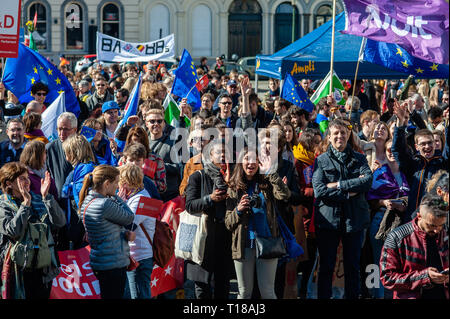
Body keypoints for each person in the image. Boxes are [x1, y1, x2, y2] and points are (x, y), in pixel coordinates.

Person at [312, 118, 373, 299]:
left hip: (354, 220)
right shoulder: (321, 161)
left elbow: (367, 181)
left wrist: (338, 184)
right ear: (329, 137)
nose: (340, 136)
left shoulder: (359, 158)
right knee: (326, 267)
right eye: (336, 133)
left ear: (348, 135)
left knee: (352, 267)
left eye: (343, 133)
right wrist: (348, 193)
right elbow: (320, 190)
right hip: (329, 221)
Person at [225, 147, 291, 299]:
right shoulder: (233, 188)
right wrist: (239, 210)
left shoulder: (267, 183)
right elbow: (228, 223)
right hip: (243, 244)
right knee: (244, 292)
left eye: (255, 159)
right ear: (241, 162)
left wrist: (270, 172)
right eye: (247, 159)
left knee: (268, 292)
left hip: (267, 243)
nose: (250, 163)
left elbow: (285, 195)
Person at [0, 162, 66, 299]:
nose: (27, 181)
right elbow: (13, 231)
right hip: (18, 269)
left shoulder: (37, 198)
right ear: (9, 184)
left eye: (27, 177)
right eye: (22, 178)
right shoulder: (3, 204)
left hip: (43, 266)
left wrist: (47, 197)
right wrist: (25, 204)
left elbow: (60, 222)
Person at [78, 164, 135, 299]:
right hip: (113, 263)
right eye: (116, 183)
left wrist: (122, 234)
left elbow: (105, 227)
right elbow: (129, 217)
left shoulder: (87, 200)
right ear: (107, 183)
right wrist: (118, 198)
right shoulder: (105, 204)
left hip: (101, 260)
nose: (117, 186)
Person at [184, 141, 233, 299]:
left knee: (223, 284)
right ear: (210, 156)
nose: (223, 156)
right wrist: (210, 198)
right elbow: (190, 205)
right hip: (203, 236)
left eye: (226, 153)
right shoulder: (197, 177)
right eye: (219, 152)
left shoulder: (232, 178)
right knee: (202, 287)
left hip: (224, 236)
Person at [380, 194, 449, 299]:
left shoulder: (445, 234)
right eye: (432, 225)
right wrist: (425, 276)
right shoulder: (397, 237)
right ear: (419, 216)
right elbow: (387, 278)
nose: (437, 230)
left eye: (441, 225)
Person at [366, 139, 409, 299]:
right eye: (388, 149)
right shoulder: (379, 172)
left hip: (404, 224)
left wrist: (403, 204)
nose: (391, 152)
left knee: (399, 265)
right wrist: (384, 202)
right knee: (379, 264)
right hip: (381, 221)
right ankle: (378, 296)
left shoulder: (408, 172)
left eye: (395, 149)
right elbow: (370, 200)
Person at [392, 101, 449, 222]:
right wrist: (400, 124)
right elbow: (398, 150)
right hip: (414, 219)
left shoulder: (443, 163)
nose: (427, 146)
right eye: (423, 144)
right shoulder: (413, 164)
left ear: (435, 144)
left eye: (430, 143)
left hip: (438, 221)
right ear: (416, 147)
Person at [118, 164, 155, 299]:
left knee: (139, 295)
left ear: (127, 182)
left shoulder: (141, 199)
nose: (118, 185)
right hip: (133, 255)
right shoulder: (134, 197)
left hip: (140, 257)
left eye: (120, 182)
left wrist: (120, 202)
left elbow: (128, 224)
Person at [293, 128, 322, 299]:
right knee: (301, 257)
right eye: (317, 142)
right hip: (303, 215)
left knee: (312, 258)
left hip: (316, 215)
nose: (320, 145)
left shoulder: (319, 160)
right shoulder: (298, 161)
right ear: (308, 143)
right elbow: (296, 188)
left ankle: (305, 290)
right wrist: (313, 191)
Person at [145, 108, 181, 202]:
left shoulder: (174, 142)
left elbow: (178, 167)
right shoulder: (142, 143)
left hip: (169, 196)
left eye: (159, 121)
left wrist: (158, 166)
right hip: (148, 193)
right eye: (152, 121)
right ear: (146, 124)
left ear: (164, 123)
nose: (156, 124)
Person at [46, 112, 78, 198]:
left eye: (66, 129)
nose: (62, 133)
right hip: (58, 199)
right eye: (59, 129)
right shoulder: (50, 148)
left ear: (75, 130)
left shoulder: (83, 146)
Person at [62, 134, 97, 209]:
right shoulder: (83, 167)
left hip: (86, 211)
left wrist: (69, 187)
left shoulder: (86, 169)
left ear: (73, 153)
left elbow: (81, 192)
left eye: (66, 153)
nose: (66, 158)